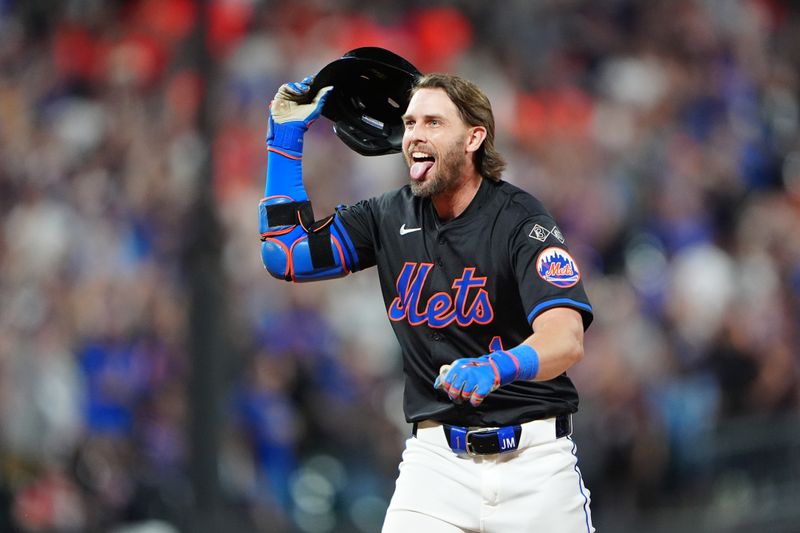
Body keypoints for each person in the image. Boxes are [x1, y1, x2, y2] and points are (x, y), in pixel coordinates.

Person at [259, 70, 595, 532]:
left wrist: (497, 368)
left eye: (433, 123)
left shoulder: (521, 221)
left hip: (534, 465)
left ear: (474, 137)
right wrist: (284, 142)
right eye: (411, 122)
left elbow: (565, 339)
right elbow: (286, 254)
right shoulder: (385, 216)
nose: (415, 134)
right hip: (436, 465)